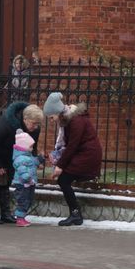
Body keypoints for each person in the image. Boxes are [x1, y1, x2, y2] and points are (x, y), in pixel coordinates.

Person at [0, 102, 43, 224]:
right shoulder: (6, 124)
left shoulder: (34, 128)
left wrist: (33, 160)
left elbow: (32, 146)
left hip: (7, 153)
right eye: (33, 124)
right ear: (25, 119)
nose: (35, 127)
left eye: (38, 124)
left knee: (5, 182)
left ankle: (5, 213)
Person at [43, 92, 102, 226]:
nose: (51, 120)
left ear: (58, 112)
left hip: (88, 155)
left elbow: (72, 146)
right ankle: (75, 214)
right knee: (64, 179)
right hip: (83, 154)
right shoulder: (69, 120)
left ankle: (76, 214)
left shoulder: (76, 121)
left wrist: (60, 166)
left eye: (51, 117)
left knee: (63, 179)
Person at [11, 129, 44, 227]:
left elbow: (35, 162)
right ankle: (20, 219)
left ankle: (22, 217)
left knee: (28, 200)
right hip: (22, 183)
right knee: (23, 200)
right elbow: (22, 170)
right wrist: (27, 178)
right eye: (30, 146)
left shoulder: (28, 156)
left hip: (29, 183)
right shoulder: (20, 158)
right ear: (23, 147)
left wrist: (40, 158)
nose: (32, 148)